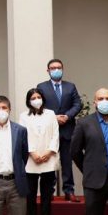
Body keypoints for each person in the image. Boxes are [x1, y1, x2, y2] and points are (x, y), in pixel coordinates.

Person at [36, 59, 82, 202]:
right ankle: (49, 191)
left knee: (67, 161)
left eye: (58, 67)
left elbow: (78, 104)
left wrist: (67, 116)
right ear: (48, 70)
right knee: (49, 161)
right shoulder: (41, 87)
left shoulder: (70, 86)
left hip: (67, 129)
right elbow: (38, 105)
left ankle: (69, 190)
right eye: (53, 68)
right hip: (49, 130)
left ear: (62, 69)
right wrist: (53, 117)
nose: (56, 70)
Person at [19, 87, 59, 215]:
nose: (36, 100)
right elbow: (23, 136)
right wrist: (32, 152)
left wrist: (49, 151)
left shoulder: (51, 114)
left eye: (38, 97)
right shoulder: (24, 116)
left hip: (48, 157)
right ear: (28, 101)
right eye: (33, 98)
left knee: (47, 192)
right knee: (30, 192)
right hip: (32, 159)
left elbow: (55, 133)